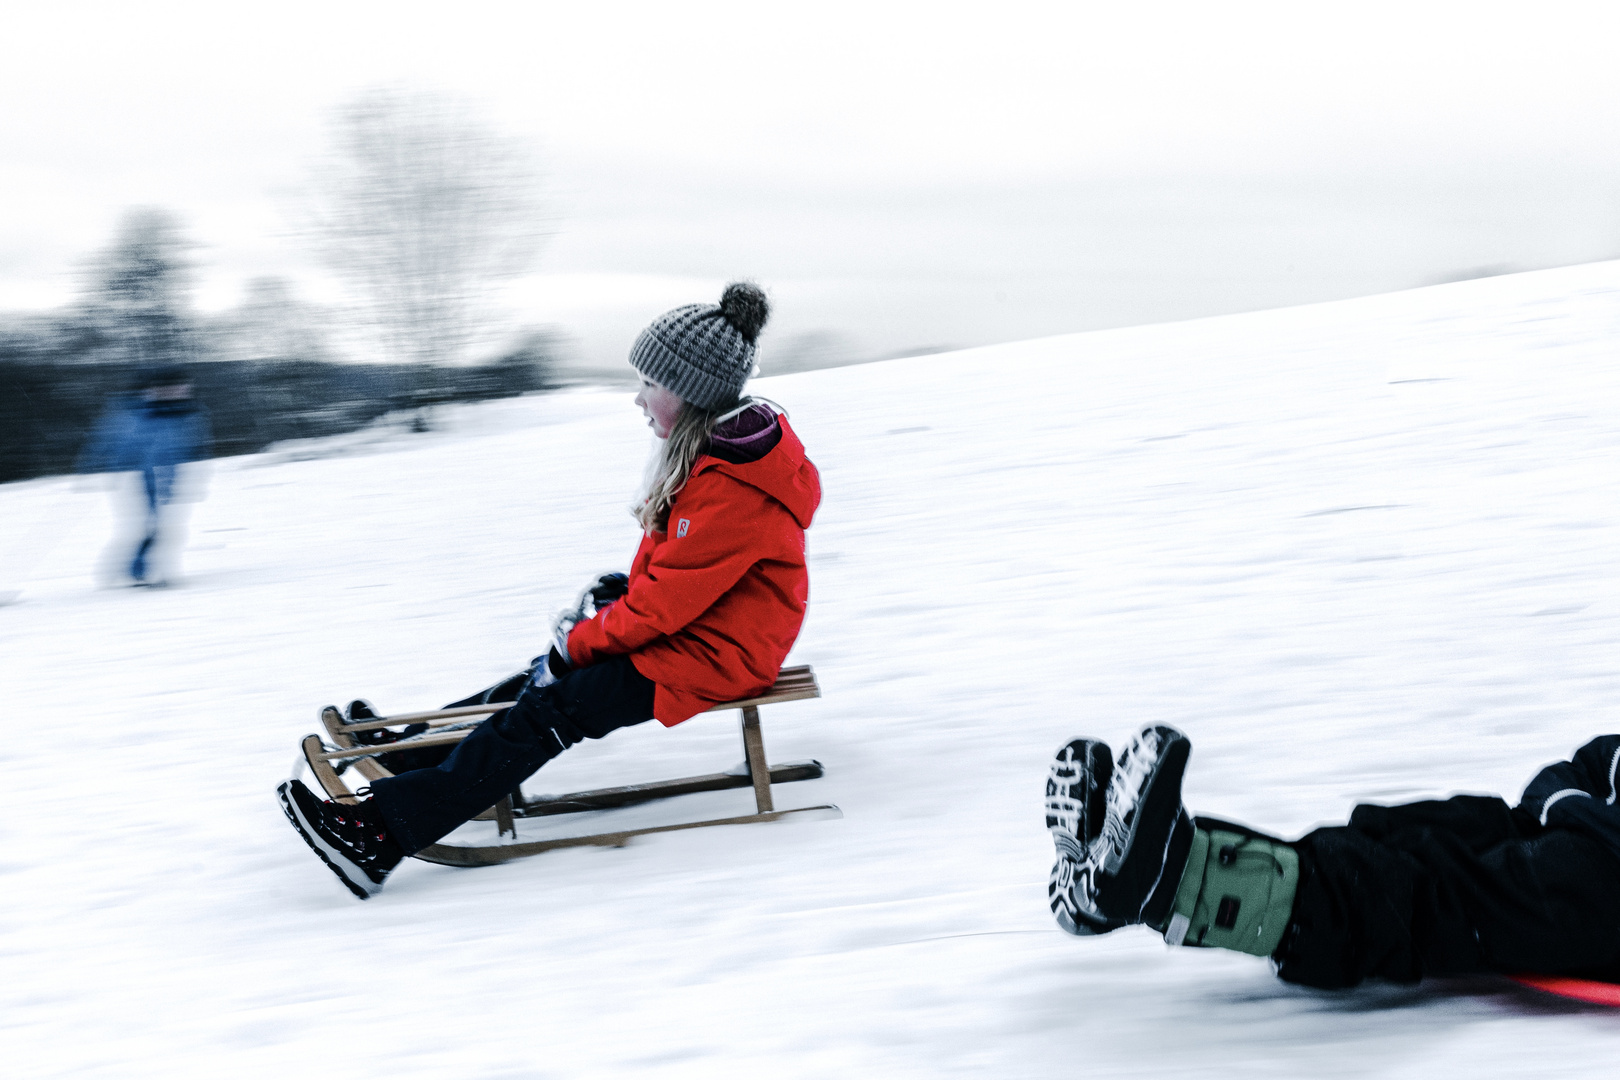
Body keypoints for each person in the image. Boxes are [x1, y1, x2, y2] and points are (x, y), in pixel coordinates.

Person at [277, 282, 822, 899]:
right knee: (545, 675)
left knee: (556, 702)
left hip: (720, 656)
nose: (638, 400)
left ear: (690, 392)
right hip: (699, 634)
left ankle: (379, 836)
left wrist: (587, 642)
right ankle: (408, 757)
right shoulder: (714, 458)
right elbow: (680, 577)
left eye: (650, 384)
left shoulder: (734, 486)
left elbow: (668, 602)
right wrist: (618, 598)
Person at [1045, 726, 1620, 987]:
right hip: (1569, 829)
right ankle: (1123, 878)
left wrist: (1571, 811)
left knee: (1435, 894)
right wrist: (1567, 805)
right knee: (1393, 833)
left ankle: (1162, 884)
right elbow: (1582, 768)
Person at [76, 366, 212, 586]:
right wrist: (89, 466)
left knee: (166, 526)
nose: (179, 391)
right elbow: (105, 439)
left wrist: (198, 474)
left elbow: (194, 442)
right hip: (133, 475)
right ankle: (141, 570)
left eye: (182, 387)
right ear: (156, 389)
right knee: (147, 524)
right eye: (172, 388)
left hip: (170, 473)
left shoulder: (188, 411)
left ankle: (142, 569)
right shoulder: (137, 411)